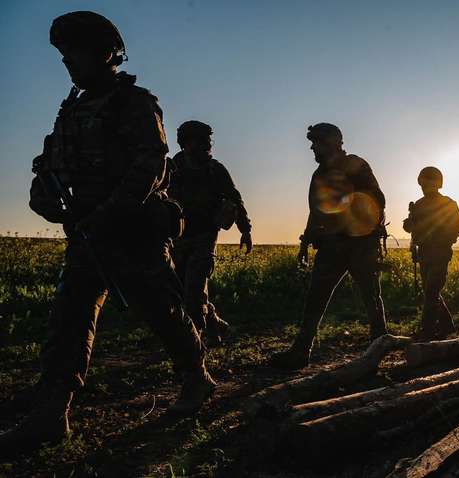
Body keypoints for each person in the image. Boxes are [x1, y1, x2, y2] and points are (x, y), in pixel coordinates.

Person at [0, 11, 215, 455]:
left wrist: (110, 212)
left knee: (161, 310)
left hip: (133, 232)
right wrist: (42, 194)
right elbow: (51, 163)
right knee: (69, 315)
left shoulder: (134, 103)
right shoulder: (71, 110)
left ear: (104, 52)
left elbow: (152, 165)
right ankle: (52, 410)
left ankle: (196, 377)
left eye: (73, 52)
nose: (67, 63)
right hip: (86, 233)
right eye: (62, 55)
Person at [270, 123, 388, 370]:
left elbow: (377, 199)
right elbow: (315, 211)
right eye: (312, 143)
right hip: (331, 245)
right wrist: (305, 242)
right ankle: (301, 351)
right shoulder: (319, 174)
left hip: (360, 245)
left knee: (371, 297)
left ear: (332, 142)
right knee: (316, 297)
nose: (313, 147)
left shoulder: (356, 164)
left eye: (317, 142)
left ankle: (380, 347)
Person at [168, 120, 252, 346]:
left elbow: (235, 198)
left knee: (194, 290)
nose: (207, 144)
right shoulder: (173, 167)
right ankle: (215, 324)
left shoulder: (215, 169)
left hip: (205, 237)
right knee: (181, 290)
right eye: (200, 140)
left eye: (207, 140)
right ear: (186, 143)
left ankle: (196, 342)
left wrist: (245, 230)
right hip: (178, 239)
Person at [403, 166, 459, 341]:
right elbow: (410, 228)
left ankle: (427, 331)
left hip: (440, 252)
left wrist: (436, 233)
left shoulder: (448, 203)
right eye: (422, 182)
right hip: (424, 252)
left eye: (427, 181)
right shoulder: (419, 204)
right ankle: (446, 325)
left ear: (437, 183)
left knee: (431, 291)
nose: (424, 185)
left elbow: (458, 229)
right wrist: (410, 221)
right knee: (430, 291)